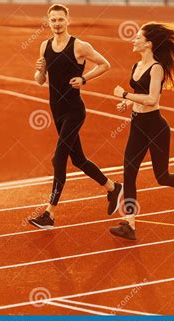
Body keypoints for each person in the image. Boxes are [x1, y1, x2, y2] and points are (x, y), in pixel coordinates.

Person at [28, 4, 122, 230]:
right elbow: (40, 81)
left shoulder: (79, 46)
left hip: (74, 110)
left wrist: (85, 79)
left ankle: (50, 214)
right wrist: (40, 69)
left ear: (68, 20)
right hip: (56, 111)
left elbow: (105, 64)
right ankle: (113, 188)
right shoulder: (45, 46)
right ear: (48, 22)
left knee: (58, 159)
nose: (57, 24)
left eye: (60, 19)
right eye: (53, 20)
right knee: (78, 159)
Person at [110, 22, 174, 240]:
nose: (133, 40)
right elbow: (140, 95)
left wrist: (125, 95)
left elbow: (152, 100)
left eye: (137, 37)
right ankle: (129, 224)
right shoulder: (136, 66)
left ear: (149, 43)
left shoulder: (156, 68)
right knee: (129, 172)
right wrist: (129, 104)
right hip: (137, 125)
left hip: (156, 127)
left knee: (162, 176)